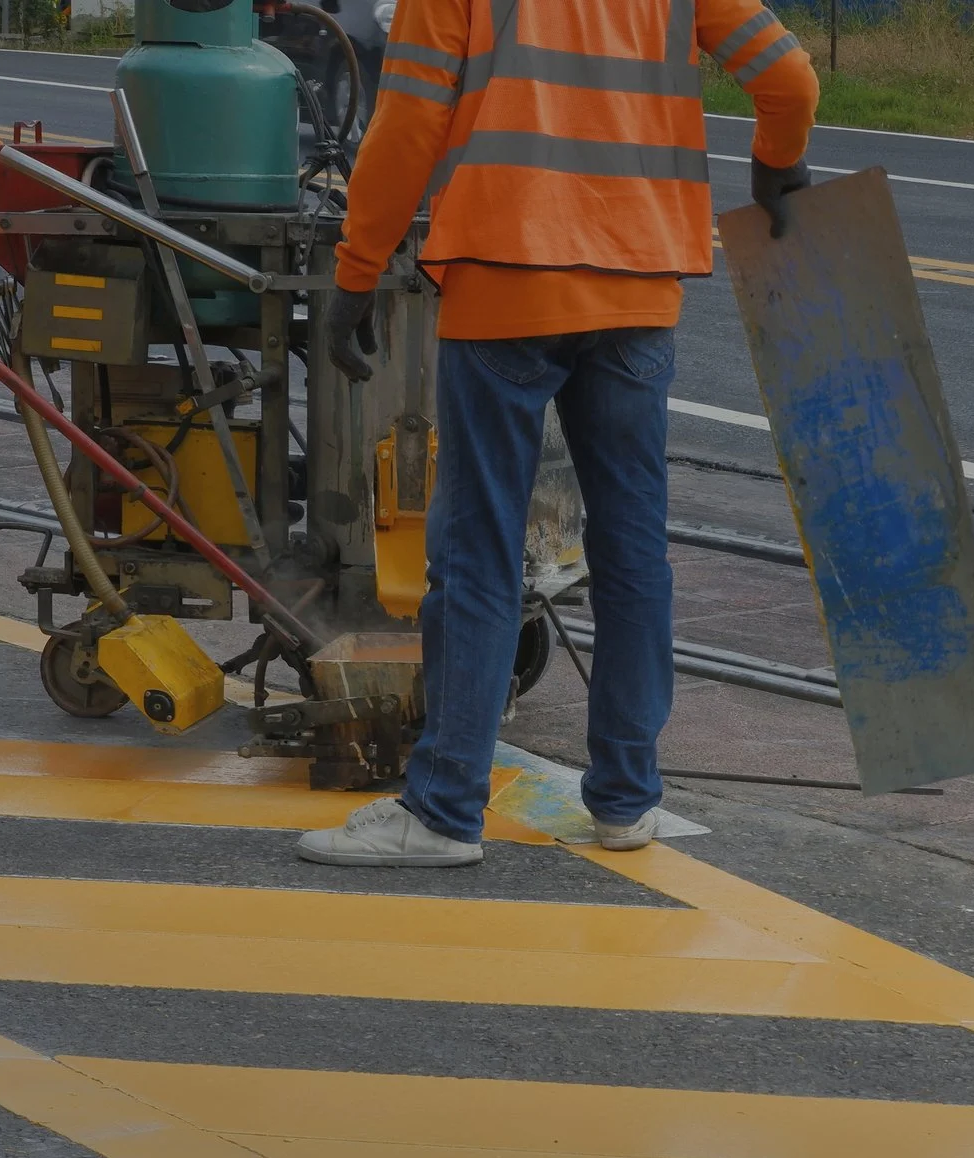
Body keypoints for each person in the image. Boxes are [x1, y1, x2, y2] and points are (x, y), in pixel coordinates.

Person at [296, 0, 819, 867]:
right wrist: (776, 164)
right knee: (632, 554)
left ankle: (444, 811)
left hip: (506, 280)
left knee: (479, 555)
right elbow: (788, 77)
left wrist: (357, 273)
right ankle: (624, 802)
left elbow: (409, 123)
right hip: (640, 284)